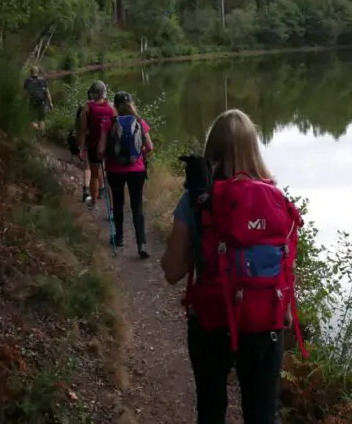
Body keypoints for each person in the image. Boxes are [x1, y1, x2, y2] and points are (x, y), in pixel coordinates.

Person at [160, 109, 306, 424]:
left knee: (211, 410)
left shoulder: (196, 200)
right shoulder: (275, 198)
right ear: (254, 149)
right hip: (264, 321)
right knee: (264, 415)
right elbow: (285, 268)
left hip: (210, 322)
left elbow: (172, 271)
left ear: (211, 151)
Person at [97, 91, 153, 259]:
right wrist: (136, 154)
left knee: (119, 204)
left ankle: (119, 237)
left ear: (114, 105)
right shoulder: (140, 122)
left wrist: (106, 155)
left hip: (115, 170)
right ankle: (141, 243)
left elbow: (100, 150)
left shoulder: (108, 123)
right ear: (132, 104)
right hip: (137, 171)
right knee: (137, 207)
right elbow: (149, 147)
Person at [78, 80, 113, 205]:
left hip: (93, 145)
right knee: (109, 173)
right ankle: (112, 204)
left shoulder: (87, 107)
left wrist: (81, 148)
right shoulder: (111, 107)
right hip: (108, 145)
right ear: (104, 92)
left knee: (94, 174)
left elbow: (83, 130)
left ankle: (93, 201)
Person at [23, 66, 52, 130]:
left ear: (30, 72)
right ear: (38, 72)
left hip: (32, 101)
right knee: (41, 120)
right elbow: (47, 93)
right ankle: (40, 132)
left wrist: (24, 103)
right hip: (42, 102)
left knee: (31, 119)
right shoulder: (43, 80)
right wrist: (50, 103)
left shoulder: (27, 81)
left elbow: (25, 94)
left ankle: (36, 129)